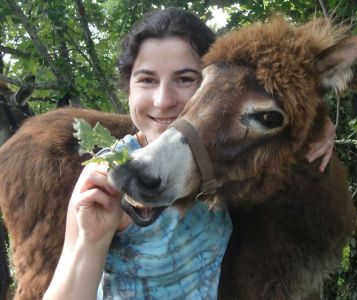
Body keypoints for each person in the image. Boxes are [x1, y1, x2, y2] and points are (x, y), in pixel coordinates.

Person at [43, 7, 336, 300]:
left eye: (185, 79)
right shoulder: (102, 180)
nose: (163, 101)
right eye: (146, 80)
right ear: (128, 90)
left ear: (217, 86)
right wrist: (89, 241)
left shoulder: (219, 164)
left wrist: (318, 122)